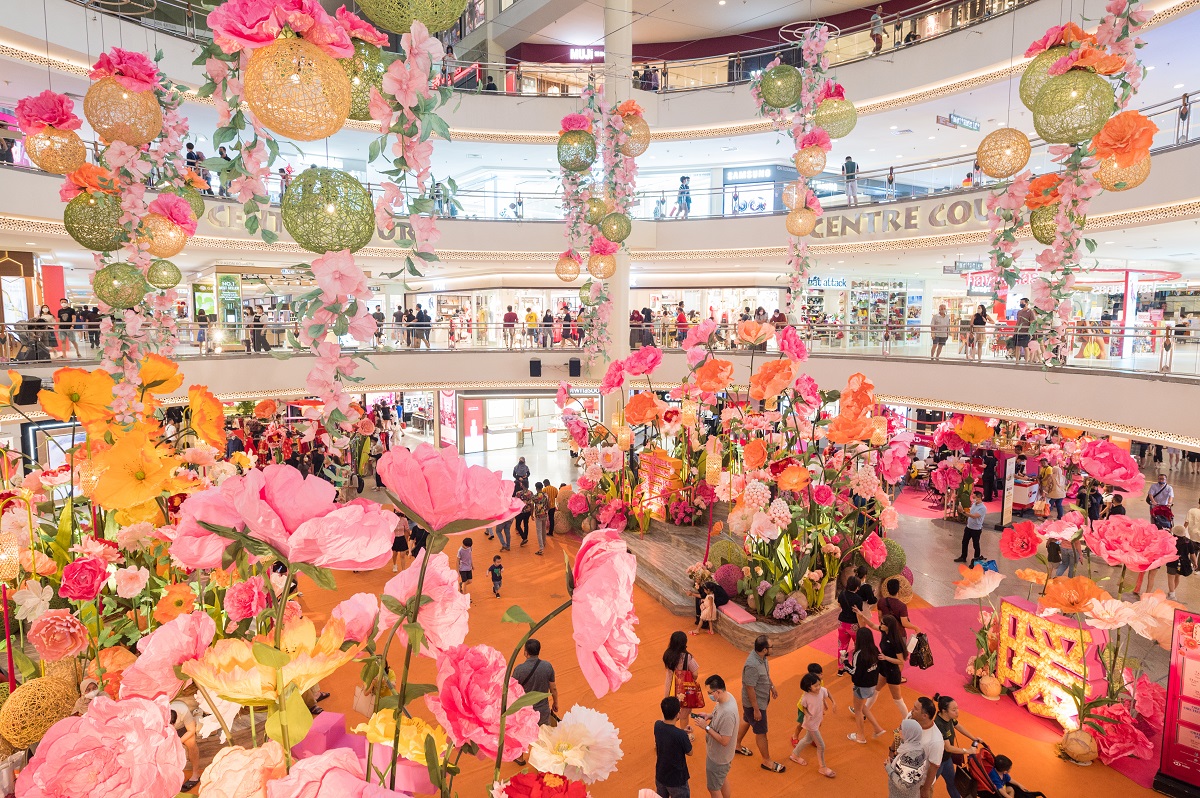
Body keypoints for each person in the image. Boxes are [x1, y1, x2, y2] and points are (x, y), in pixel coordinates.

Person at [735, 635, 785, 773]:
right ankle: (767, 761)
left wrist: (772, 686)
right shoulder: (752, 665)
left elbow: (765, 675)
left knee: (746, 720)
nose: (772, 649)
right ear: (764, 649)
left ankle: (736, 745)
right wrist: (756, 709)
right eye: (771, 647)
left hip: (760, 701)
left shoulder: (762, 658)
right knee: (761, 732)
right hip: (755, 704)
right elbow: (749, 687)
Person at [512, 639, 558, 763]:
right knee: (544, 734)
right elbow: (553, 687)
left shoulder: (519, 670)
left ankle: (520, 758)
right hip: (543, 709)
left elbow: (512, 689)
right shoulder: (547, 666)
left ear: (526, 652)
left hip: (525, 710)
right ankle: (544, 761)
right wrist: (555, 702)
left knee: (522, 733)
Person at [693, 674, 737, 798]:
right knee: (721, 780)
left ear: (717, 691)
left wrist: (706, 727)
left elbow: (724, 740)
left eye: (710, 693)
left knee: (713, 788)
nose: (709, 696)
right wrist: (708, 716)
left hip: (718, 758)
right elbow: (718, 712)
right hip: (721, 756)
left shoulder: (728, 713)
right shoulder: (727, 697)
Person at [934, 694, 983, 798]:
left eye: (957, 708)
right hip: (936, 762)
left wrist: (973, 738)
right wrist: (967, 751)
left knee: (952, 783)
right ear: (944, 711)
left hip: (946, 759)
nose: (957, 712)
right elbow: (948, 747)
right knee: (928, 785)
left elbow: (958, 726)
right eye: (954, 710)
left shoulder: (950, 718)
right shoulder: (939, 724)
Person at [789, 671, 835, 777]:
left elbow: (827, 693)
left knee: (807, 739)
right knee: (821, 746)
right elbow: (803, 706)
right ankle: (822, 767)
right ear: (808, 687)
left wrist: (833, 703)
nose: (818, 687)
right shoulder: (806, 697)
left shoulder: (822, 690)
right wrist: (807, 714)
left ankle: (794, 755)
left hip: (817, 720)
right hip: (811, 724)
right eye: (815, 686)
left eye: (819, 684)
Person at [846, 626, 886, 743]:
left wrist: (845, 664)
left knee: (858, 711)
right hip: (872, 685)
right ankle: (877, 728)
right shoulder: (875, 649)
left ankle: (860, 736)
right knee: (863, 707)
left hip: (861, 686)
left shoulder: (858, 654)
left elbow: (855, 672)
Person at [655, 696, 694, 798]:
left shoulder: (657, 726)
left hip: (661, 776)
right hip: (677, 780)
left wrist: (682, 733)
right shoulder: (680, 735)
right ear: (678, 714)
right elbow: (690, 752)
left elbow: (669, 733)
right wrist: (684, 735)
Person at [663, 631, 703, 726]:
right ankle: (684, 734)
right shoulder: (687, 657)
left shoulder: (667, 655)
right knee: (684, 715)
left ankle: (667, 733)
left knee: (670, 713)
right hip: (684, 690)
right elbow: (695, 674)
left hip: (670, 688)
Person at [909, 697, 944, 798]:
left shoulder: (936, 740)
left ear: (924, 716)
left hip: (920, 784)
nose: (912, 710)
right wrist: (892, 749)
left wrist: (925, 789)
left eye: (915, 709)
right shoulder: (911, 717)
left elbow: (934, 767)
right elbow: (900, 728)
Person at [886, 719, 929, 798]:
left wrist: (889, 768)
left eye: (901, 728)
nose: (898, 730)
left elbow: (904, 786)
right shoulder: (918, 748)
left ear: (909, 733)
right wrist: (895, 764)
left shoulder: (910, 758)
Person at [836, 574, 867, 674]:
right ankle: (856, 666)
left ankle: (840, 668)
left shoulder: (842, 594)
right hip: (853, 625)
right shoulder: (858, 599)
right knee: (858, 646)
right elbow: (859, 614)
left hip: (841, 623)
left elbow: (839, 605)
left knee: (842, 646)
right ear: (857, 587)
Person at [956, 490, 988, 563]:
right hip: (969, 527)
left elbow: (974, 516)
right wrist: (962, 511)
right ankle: (963, 557)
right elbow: (970, 513)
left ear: (979, 497)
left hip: (976, 529)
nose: (973, 499)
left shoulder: (983, 508)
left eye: (974, 497)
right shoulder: (974, 504)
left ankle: (976, 560)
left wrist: (963, 512)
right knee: (964, 542)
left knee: (975, 544)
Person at [1014, 298, 1036, 363]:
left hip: (1026, 332)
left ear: (1027, 303)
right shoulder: (1019, 312)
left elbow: (1032, 323)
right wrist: (1015, 330)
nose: (1021, 304)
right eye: (1020, 303)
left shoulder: (1030, 312)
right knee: (1017, 346)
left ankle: (1026, 361)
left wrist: (1030, 332)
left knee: (1025, 347)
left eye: (1022, 303)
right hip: (1019, 331)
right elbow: (1017, 322)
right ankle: (1017, 360)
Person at [531, 480, 550, 555]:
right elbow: (549, 504)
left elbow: (532, 506)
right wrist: (547, 510)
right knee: (544, 529)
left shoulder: (535, 497)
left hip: (538, 515)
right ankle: (544, 542)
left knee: (539, 531)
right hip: (545, 514)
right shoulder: (546, 495)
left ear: (536, 488)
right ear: (542, 487)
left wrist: (531, 514)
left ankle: (541, 548)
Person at [514, 479, 534, 546]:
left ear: (522, 485)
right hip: (528, 511)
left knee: (517, 525)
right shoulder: (530, 493)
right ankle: (525, 537)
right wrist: (531, 513)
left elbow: (516, 502)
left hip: (520, 511)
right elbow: (532, 504)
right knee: (526, 524)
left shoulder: (518, 493)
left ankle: (524, 537)